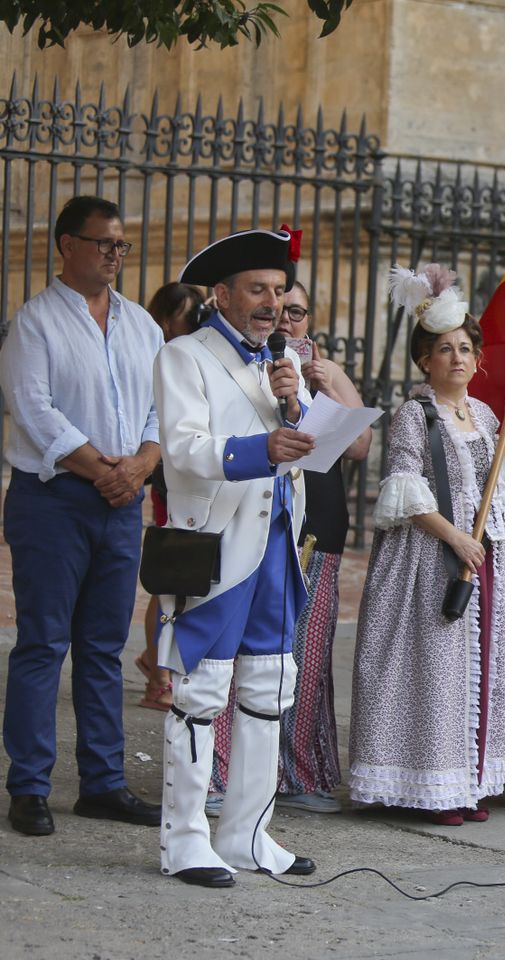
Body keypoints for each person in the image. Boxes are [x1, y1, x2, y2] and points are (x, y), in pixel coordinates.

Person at [150, 227, 319, 887]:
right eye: (258, 290)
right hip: (214, 546)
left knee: (268, 687)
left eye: (279, 291)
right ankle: (185, 840)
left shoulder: (284, 362)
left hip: (276, 543)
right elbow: (185, 450)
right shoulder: (184, 357)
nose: (272, 303)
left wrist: (294, 402)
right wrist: (261, 450)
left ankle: (247, 835)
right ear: (221, 294)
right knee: (199, 692)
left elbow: (299, 438)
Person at [346, 265, 505, 825]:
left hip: (488, 555)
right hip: (432, 558)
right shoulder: (413, 413)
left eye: (465, 348)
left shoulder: (481, 413)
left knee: (482, 668)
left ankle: (467, 781)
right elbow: (404, 492)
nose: (458, 358)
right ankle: (426, 783)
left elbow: (497, 484)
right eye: (445, 349)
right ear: (425, 359)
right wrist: (454, 539)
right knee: (433, 670)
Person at [0, 195, 163, 838]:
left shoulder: (142, 325)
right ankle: (29, 786)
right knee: (43, 641)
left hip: (122, 501)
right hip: (55, 500)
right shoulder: (34, 323)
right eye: (104, 244)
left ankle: (102, 783)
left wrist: (143, 464)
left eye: (122, 245)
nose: (116, 256)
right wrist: (104, 469)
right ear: (67, 245)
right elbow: (33, 410)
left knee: (103, 647)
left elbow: (161, 404)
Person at [212, 280, 373, 812]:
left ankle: (300, 773)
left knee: (306, 657)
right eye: (279, 309)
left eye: (297, 311)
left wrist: (331, 381)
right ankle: (224, 776)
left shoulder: (319, 373)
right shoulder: (244, 364)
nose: (286, 320)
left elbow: (359, 445)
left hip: (317, 525)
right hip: (253, 521)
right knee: (237, 656)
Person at [133, 281, 206, 713]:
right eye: (188, 313)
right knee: (169, 580)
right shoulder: (157, 356)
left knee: (185, 578)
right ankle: (158, 678)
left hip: (196, 476)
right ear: (164, 318)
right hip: (166, 476)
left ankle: (155, 661)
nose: (195, 320)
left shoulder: (198, 354)